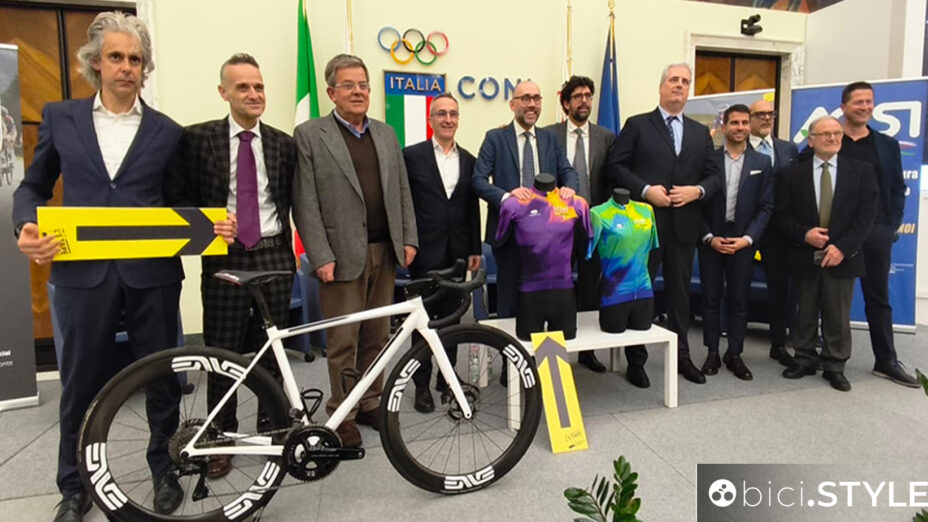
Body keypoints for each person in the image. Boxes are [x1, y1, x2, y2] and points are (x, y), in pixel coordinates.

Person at [10, 11, 223, 521]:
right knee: (81, 382)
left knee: (162, 377)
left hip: (152, 274)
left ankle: (163, 468)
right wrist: (25, 226)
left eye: (135, 59)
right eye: (116, 57)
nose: (127, 67)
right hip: (82, 275)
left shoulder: (168, 132)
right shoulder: (62, 118)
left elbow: (180, 204)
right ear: (96, 64)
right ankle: (75, 486)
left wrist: (209, 227)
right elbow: (32, 187)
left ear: (144, 68)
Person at [170, 53, 295, 478]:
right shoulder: (197, 139)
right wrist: (205, 223)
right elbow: (177, 198)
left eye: (259, 86)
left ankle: (273, 426)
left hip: (275, 252)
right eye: (243, 87)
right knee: (221, 352)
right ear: (223, 92)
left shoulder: (283, 143)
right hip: (223, 254)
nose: (254, 94)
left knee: (272, 349)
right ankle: (220, 436)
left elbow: (292, 201)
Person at [292, 54, 417, 448]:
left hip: (386, 250)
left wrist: (408, 237)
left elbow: (400, 190)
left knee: (376, 336)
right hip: (340, 254)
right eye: (348, 85)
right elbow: (304, 200)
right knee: (343, 340)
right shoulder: (311, 134)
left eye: (363, 84)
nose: (359, 91)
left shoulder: (385, 133)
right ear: (331, 92)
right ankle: (341, 412)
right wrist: (319, 254)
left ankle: (369, 402)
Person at [606, 63, 722, 388]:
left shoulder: (701, 133)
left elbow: (714, 177)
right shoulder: (638, 125)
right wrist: (645, 191)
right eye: (674, 80)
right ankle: (636, 360)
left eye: (685, 82)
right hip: (644, 228)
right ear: (661, 87)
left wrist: (696, 191)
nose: (679, 86)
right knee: (639, 294)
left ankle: (681, 355)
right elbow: (615, 166)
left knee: (680, 296)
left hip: (685, 227)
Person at [775, 116, 878, 391]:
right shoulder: (791, 174)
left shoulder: (862, 171)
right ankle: (804, 358)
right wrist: (804, 234)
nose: (832, 138)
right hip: (804, 253)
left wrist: (843, 247)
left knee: (837, 313)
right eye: (825, 134)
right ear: (811, 140)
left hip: (843, 255)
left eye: (836, 133)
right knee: (804, 311)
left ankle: (835, 365)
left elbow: (866, 217)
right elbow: (781, 216)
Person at [472, 80, 578, 320]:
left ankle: (545, 359)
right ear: (512, 104)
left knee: (546, 304)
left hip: (547, 239)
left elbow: (568, 171)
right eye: (526, 98)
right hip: (509, 236)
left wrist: (570, 188)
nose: (532, 104)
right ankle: (512, 358)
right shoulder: (495, 138)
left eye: (537, 99)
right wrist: (508, 196)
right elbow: (478, 180)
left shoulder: (550, 138)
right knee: (509, 304)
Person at [401, 92, 481, 412]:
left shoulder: (470, 159)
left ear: (458, 120)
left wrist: (475, 247)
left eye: (453, 114)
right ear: (430, 119)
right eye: (441, 114)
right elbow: (404, 204)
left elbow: (472, 207)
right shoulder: (412, 156)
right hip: (423, 253)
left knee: (452, 319)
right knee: (423, 323)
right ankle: (421, 384)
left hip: (458, 254)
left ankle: (447, 379)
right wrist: (407, 241)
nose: (448, 119)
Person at [838, 81, 918, 388]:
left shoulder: (886, 144)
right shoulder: (831, 139)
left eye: (869, 102)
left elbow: (898, 188)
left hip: (876, 232)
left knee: (878, 298)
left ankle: (886, 360)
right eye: (858, 102)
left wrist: (890, 226)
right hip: (840, 232)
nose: (865, 107)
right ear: (844, 106)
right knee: (834, 299)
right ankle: (834, 360)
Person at [542, 75, 615, 373]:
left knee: (589, 286)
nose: (584, 101)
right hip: (556, 228)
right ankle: (552, 349)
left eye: (588, 95)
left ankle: (587, 352)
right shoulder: (548, 135)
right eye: (578, 96)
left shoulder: (606, 137)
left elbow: (611, 179)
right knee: (555, 285)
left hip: (593, 226)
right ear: (566, 103)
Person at [698, 104, 773, 381]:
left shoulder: (762, 163)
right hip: (712, 240)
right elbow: (699, 204)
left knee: (739, 300)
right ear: (725, 126)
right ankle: (712, 352)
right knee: (710, 298)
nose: (740, 128)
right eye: (735, 123)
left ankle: (735, 354)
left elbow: (766, 207)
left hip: (743, 242)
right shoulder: (709, 161)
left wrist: (747, 239)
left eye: (744, 123)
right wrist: (708, 237)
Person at [748, 99, 799, 367]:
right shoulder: (738, 147)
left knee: (781, 288)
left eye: (771, 114)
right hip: (746, 226)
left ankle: (778, 343)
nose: (767, 119)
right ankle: (732, 346)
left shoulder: (788, 148)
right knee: (736, 284)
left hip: (779, 231)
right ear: (750, 118)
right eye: (760, 114)